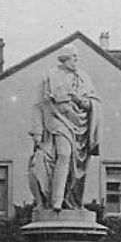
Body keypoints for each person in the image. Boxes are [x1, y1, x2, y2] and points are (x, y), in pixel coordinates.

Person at [36, 49, 102, 210]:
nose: (76, 61)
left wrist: (79, 100)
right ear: (64, 59)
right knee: (64, 154)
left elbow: (93, 103)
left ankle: (69, 198)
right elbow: (38, 105)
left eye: (77, 58)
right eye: (73, 57)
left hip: (80, 126)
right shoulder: (50, 76)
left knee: (75, 165)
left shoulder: (84, 77)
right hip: (57, 119)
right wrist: (37, 131)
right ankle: (56, 200)